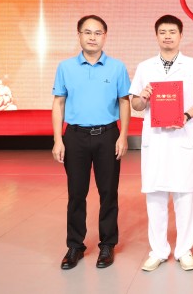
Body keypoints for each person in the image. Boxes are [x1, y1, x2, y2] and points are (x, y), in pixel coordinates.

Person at [129, 14, 193, 272]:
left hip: (181, 138)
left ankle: (183, 250)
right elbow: (136, 105)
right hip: (155, 141)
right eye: (162, 32)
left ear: (180, 35)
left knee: (184, 195)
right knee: (154, 196)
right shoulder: (145, 67)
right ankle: (158, 250)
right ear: (156, 36)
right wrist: (143, 97)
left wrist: (186, 115)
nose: (167, 36)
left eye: (172, 32)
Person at [52, 15, 131, 270]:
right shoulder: (65, 67)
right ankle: (75, 246)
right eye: (87, 32)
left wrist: (123, 135)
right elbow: (59, 103)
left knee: (108, 193)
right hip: (75, 137)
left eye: (98, 33)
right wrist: (58, 139)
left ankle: (107, 244)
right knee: (76, 193)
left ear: (105, 37)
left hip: (108, 135)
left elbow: (124, 102)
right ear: (79, 35)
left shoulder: (117, 67)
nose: (92, 37)